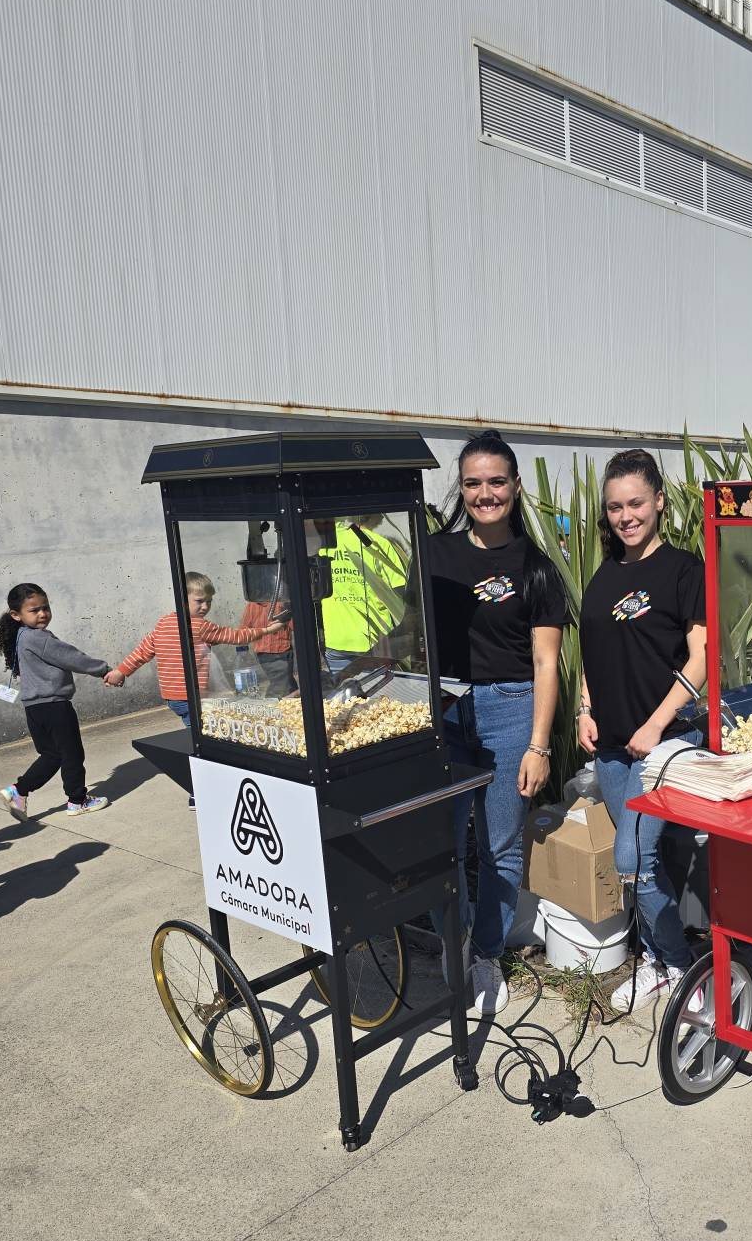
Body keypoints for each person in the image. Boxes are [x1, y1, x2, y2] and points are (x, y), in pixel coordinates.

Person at [427, 430, 567, 1016]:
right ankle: (454, 940)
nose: (486, 493)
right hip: (446, 709)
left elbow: (545, 662)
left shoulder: (536, 567)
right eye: (474, 483)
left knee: (501, 845)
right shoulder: (435, 553)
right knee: (439, 845)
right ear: (462, 489)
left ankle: (485, 952)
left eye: (497, 482)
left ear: (514, 487)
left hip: (511, 711)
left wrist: (539, 745)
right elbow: (414, 635)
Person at [578, 449, 707, 1011]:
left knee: (632, 860)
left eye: (635, 503)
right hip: (612, 745)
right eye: (614, 507)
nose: (625, 515)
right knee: (641, 863)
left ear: (659, 501)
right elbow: (591, 649)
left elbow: (702, 659)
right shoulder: (605, 573)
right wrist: (585, 706)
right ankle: (656, 960)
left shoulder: (684, 570)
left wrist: (656, 725)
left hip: (665, 741)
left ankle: (682, 968)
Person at [0, 582, 115, 819]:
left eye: (46, 607)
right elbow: (70, 657)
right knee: (72, 754)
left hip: (34, 709)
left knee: (53, 755)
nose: (42, 614)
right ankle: (77, 800)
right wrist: (104, 670)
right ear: (16, 615)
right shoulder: (39, 638)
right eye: (34, 610)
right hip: (55, 706)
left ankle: (19, 790)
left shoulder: (20, 636)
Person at [107, 572, 284, 729]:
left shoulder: (163, 623)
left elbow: (142, 652)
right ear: (182, 600)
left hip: (172, 698)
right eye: (199, 601)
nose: (205, 607)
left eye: (209, 601)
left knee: (202, 729)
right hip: (192, 697)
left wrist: (121, 672)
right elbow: (235, 636)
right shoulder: (200, 625)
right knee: (203, 733)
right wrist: (267, 630)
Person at [317, 515, 408, 681]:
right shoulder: (377, 544)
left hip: (336, 640)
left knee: (345, 701)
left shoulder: (322, 545)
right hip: (375, 643)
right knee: (380, 701)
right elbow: (402, 597)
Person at [239, 596, 295, 696]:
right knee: (280, 685)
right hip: (278, 651)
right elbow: (294, 626)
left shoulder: (253, 604)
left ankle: (296, 699)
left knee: (286, 680)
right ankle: (273, 705)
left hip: (266, 651)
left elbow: (244, 629)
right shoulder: (280, 603)